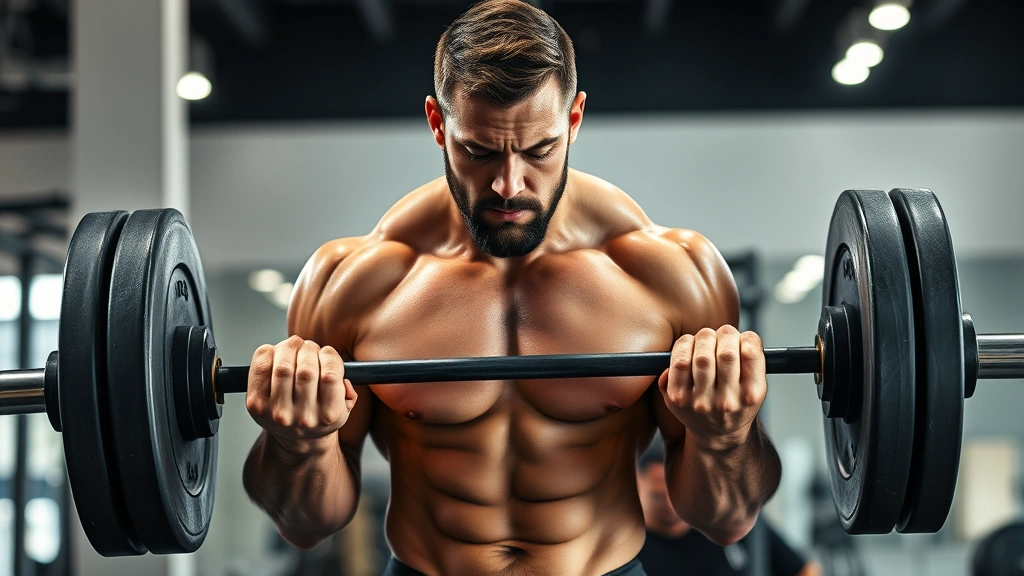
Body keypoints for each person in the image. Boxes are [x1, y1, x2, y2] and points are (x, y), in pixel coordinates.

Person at [242, 1, 782, 574]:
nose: (508, 184)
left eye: (539, 150)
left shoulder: (671, 273)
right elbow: (305, 527)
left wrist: (724, 438)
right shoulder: (352, 282)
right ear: (436, 123)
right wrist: (297, 446)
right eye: (477, 151)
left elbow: (726, 520)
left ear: (574, 120)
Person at [637, 443, 821, 576]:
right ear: (638, 484)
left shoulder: (729, 522)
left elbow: (806, 570)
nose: (670, 504)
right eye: (658, 496)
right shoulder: (629, 544)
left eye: (678, 493)